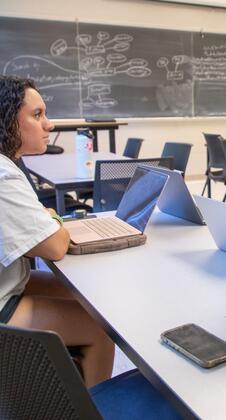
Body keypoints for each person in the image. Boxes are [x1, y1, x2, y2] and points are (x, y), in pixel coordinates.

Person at [0, 75, 114, 388]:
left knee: (85, 294)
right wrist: (56, 221)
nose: (49, 124)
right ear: (8, 122)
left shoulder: (8, 165)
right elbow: (54, 247)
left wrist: (48, 218)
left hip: (8, 280)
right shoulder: (3, 176)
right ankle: (92, 407)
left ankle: (65, 377)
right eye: (37, 115)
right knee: (102, 328)